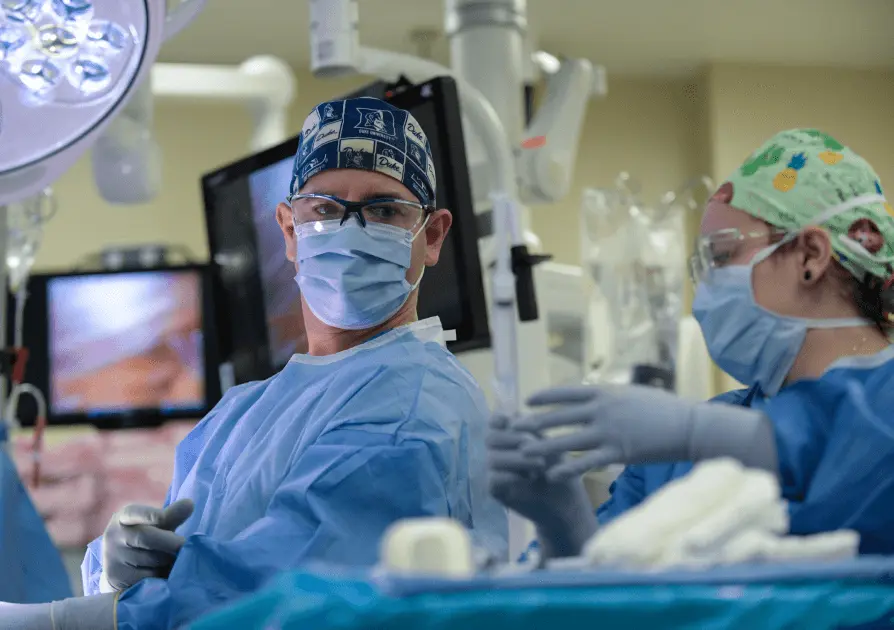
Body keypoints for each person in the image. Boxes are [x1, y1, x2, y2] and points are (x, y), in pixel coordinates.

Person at [1, 97, 507, 630]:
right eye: (325, 209)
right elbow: (187, 574)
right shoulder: (240, 413)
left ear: (431, 235)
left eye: (384, 211)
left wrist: (59, 623)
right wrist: (114, 570)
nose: (351, 232)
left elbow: (287, 590)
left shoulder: (418, 403)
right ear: (289, 230)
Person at [489, 128, 894, 561]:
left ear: (811, 254)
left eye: (720, 256)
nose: (705, 293)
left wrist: (697, 433)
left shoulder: (698, 436)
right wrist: (566, 522)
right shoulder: (675, 455)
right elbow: (607, 602)